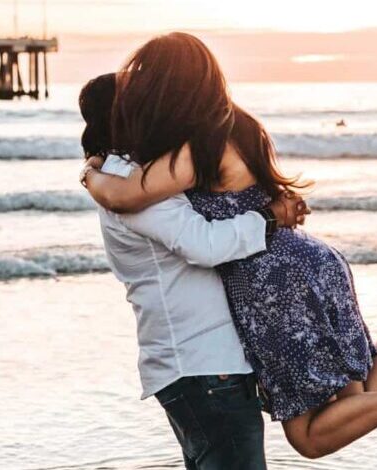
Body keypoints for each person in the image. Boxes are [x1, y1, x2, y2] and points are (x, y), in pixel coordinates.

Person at [82, 32, 377, 461]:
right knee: (361, 392)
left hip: (271, 280)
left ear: (170, 86)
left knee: (309, 436)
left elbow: (126, 197)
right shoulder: (241, 125)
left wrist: (91, 174)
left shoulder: (195, 146)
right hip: (309, 258)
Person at [78, 73, 310, 469]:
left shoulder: (128, 178)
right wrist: (269, 217)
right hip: (204, 366)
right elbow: (203, 244)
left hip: (196, 366)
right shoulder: (129, 183)